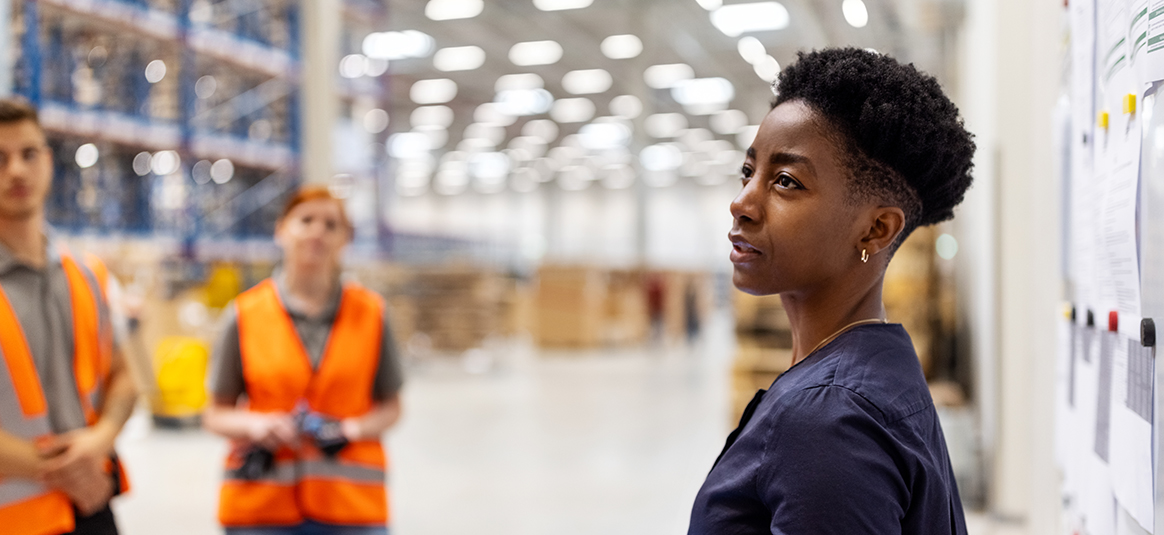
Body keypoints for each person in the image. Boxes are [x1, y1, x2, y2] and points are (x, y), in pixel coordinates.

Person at [688, 48, 974, 534]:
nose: (742, 203)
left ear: (876, 230)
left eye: (785, 181)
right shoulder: (878, 365)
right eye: (748, 172)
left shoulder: (826, 421)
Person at [203, 186, 404, 535]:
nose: (317, 232)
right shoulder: (244, 315)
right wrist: (256, 426)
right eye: (306, 220)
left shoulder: (372, 314)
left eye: (331, 224)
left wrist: (350, 429)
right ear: (281, 230)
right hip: (261, 510)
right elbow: (215, 413)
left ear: (346, 239)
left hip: (352, 509)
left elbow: (392, 406)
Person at [0, 97, 137, 535]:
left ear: (49, 162)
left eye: (28, 154)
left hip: (91, 507)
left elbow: (124, 375)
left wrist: (102, 438)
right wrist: (62, 468)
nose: (16, 171)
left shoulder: (88, 274)